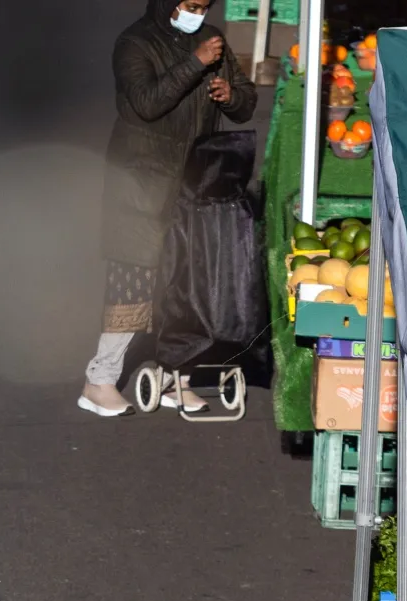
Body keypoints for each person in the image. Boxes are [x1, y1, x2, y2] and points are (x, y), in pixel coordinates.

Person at [80, 0, 256, 417]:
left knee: (185, 284)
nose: (198, 11)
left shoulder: (212, 39)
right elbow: (146, 103)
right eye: (191, 4)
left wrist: (230, 95)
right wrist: (195, 63)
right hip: (140, 181)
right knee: (134, 279)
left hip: (192, 179)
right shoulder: (135, 42)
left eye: (204, 4)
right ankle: (99, 381)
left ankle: (176, 378)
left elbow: (246, 101)